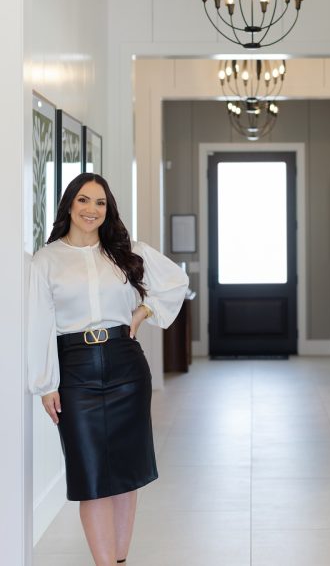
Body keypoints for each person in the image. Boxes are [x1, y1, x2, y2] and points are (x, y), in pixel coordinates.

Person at [28, 173, 189, 566]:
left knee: (125, 478)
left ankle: (119, 561)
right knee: (93, 482)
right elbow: (39, 323)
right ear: (69, 204)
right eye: (84, 200)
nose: (92, 210)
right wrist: (48, 384)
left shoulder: (125, 251)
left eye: (100, 203)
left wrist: (142, 312)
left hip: (126, 367)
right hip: (76, 371)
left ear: (108, 209)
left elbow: (175, 281)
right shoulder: (46, 260)